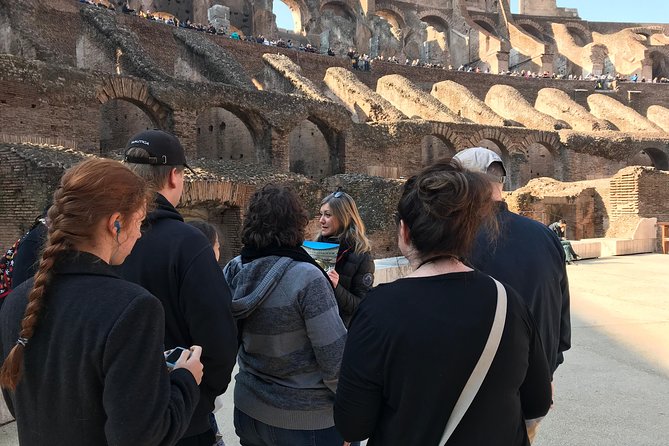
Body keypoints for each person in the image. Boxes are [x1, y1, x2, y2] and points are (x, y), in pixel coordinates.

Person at [334, 159, 552, 445]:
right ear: (470, 231)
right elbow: (537, 402)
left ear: (405, 232)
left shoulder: (378, 310)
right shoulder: (509, 301)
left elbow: (353, 425)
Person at [0, 158, 204, 445]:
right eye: (139, 222)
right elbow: (142, 437)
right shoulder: (134, 308)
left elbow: (21, 402)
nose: (139, 234)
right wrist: (185, 380)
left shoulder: (16, 300)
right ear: (116, 224)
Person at [120, 130, 237, 446]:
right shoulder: (188, 244)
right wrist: (198, 396)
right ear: (174, 176)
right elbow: (219, 339)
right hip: (182, 415)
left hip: (118, 411)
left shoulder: (105, 240)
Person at [453, 147, 571, 440]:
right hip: (535, 390)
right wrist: (548, 373)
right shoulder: (545, 235)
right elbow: (562, 320)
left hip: (475, 397)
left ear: (462, 184)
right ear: (501, 183)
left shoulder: (457, 239)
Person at [223, 185, 347, 446]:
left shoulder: (234, 269)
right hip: (306, 420)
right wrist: (351, 413)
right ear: (295, 224)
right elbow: (335, 361)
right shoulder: (307, 277)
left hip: (249, 409)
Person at [317, 191, 374, 326]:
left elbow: (362, 306)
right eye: (321, 214)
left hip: (342, 332)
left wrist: (336, 286)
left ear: (344, 217)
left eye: (328, 215)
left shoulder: (362, 255)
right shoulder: (316, 246)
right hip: (315, 328)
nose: (321, 220)